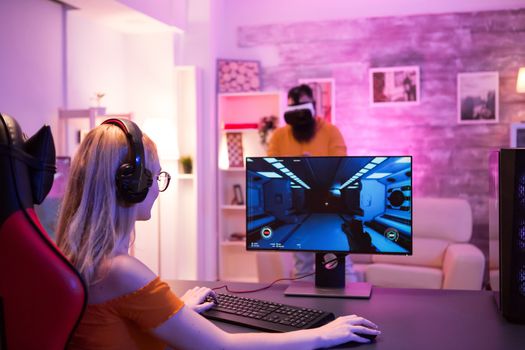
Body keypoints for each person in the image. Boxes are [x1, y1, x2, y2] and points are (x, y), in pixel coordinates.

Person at [56, 119, 380, 349]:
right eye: (155, 178)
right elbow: (222, 346)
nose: (157, 189)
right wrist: (324, 333)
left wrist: (177, 311)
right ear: (133, 186)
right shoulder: (120, 270)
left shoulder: (77, 259)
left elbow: (129, 320)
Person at [267, 84, 360, 282]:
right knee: (302, 266)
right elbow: (272, 168)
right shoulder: (279, 136)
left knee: (341, 262)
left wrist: (313, 167)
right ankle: (304, 310)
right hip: (297, 209)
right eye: (293, 107)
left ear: (313, 106)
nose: (299, 112)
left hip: (331, 209)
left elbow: (341, 165)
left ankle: (353, 306)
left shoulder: (330, 131)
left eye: (303, 105)